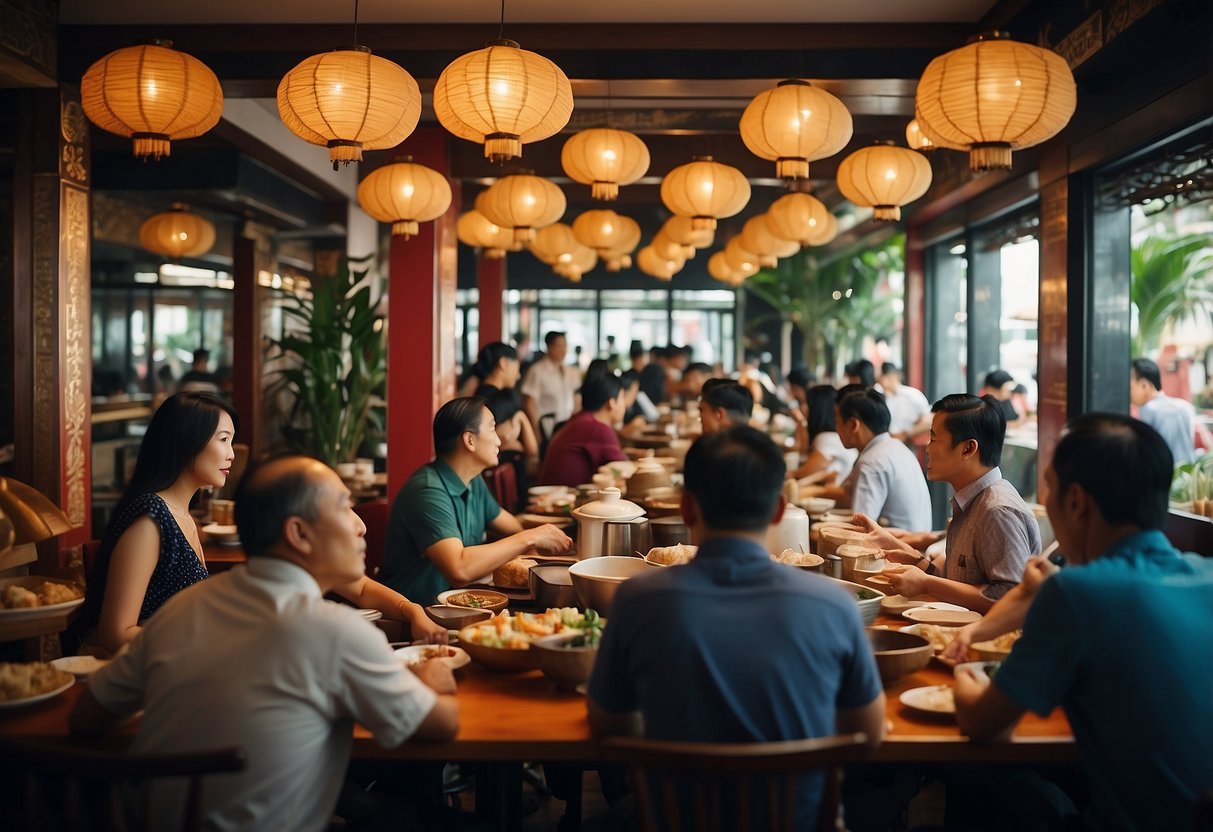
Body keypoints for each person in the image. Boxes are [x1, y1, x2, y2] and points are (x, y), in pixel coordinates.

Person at [70, 455, 460, 832]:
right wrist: (433, 674)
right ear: (298, 534)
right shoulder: (337, 631)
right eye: (344, 507)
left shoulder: (180, 609)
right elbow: (442, 727)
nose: (361, 527)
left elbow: (85, 718)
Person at [587, 427, 884, 827]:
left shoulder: (637, 601)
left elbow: (610, 726)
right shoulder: (835, 606)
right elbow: (867, 735)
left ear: (686, 509)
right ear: (779, 511)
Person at [953, 413, 1213, 832]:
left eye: (1050, 488)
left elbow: (980, 723)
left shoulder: (1075, 595)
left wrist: (963, 664)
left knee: (972, 780)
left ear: (1076, 502)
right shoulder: (1206, 576)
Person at [76, 393, 445, 657]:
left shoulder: (183, 516)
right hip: (141, 682)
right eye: (224, 440)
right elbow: (113, 635)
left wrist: (413, 611)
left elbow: (358, 586)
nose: (232, 454)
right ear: (186, 445)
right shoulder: (149, 519)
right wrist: (216, 641)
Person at [382, 397, 573, 604]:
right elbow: (459, 569)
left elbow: (514, 527)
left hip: (460, 603)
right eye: (492, 429)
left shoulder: (473, 480)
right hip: (416, 615)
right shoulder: (427, 490)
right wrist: (531, 537)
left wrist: (551, 537)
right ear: (470, 440)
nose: (499, 440)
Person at [878, 394, 1038, 613]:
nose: (927, 448)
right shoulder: (971, 500)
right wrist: (916, 562)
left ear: (968, 449)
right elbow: (958, 585)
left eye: (933, 438)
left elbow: (1010, 599)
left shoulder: (997, 511)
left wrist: (927, 583)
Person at [833, 388, 932, 531]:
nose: (836, 429)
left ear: (854, 424)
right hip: (915, 543)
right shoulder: (896, 447)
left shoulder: (871, 461)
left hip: (898, 548)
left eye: (837, 421)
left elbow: (860, 528)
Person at [539, 373, 628, 487]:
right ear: (612, 403)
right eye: (622, 398)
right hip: (566, 500)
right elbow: (623, 469)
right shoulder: (597, 428)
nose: (625, 404)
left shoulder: (580, 420)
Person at [1130, 356, 1197, 465]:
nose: (1129, 393)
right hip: (1188, 475)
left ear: (1144, 385)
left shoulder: (1148, 409)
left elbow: (1147, 453)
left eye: (1130, 388)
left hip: (1167, 474)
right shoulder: (1185, 406)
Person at [791, 384, 858, 482]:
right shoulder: (829, 435)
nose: (803, 408)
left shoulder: (827, 438)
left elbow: (802, 473)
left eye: (807, 402)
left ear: (818, 407)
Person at [520, 331, 581, 429]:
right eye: (559, 346)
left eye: (565, 345)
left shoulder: (570, 371)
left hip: (567, 426)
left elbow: (576, 399)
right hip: (546, 427)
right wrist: (536, 430)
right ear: (549, 347)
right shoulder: (537, 370)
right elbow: (529, 403)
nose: (563, 350)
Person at [878, 363, 932, 442]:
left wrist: (906, 434)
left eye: (881, 376)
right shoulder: (882, 397)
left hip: (908, 443)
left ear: (892, 377)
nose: (878, 379)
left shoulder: (913, 395)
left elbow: (929, 421)